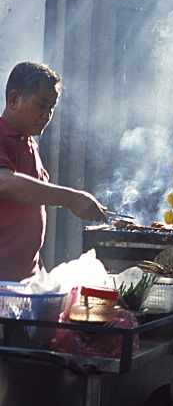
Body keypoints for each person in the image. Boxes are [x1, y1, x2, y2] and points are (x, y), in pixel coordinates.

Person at [0, 61, 106, 281]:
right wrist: (72, 198)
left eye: (51, 108)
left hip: (25, 283)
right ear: (14, 99)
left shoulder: (30, 144)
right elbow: (5, 182)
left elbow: (30, 216)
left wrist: (41, 275)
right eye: (41, 105)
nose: (47, 115)